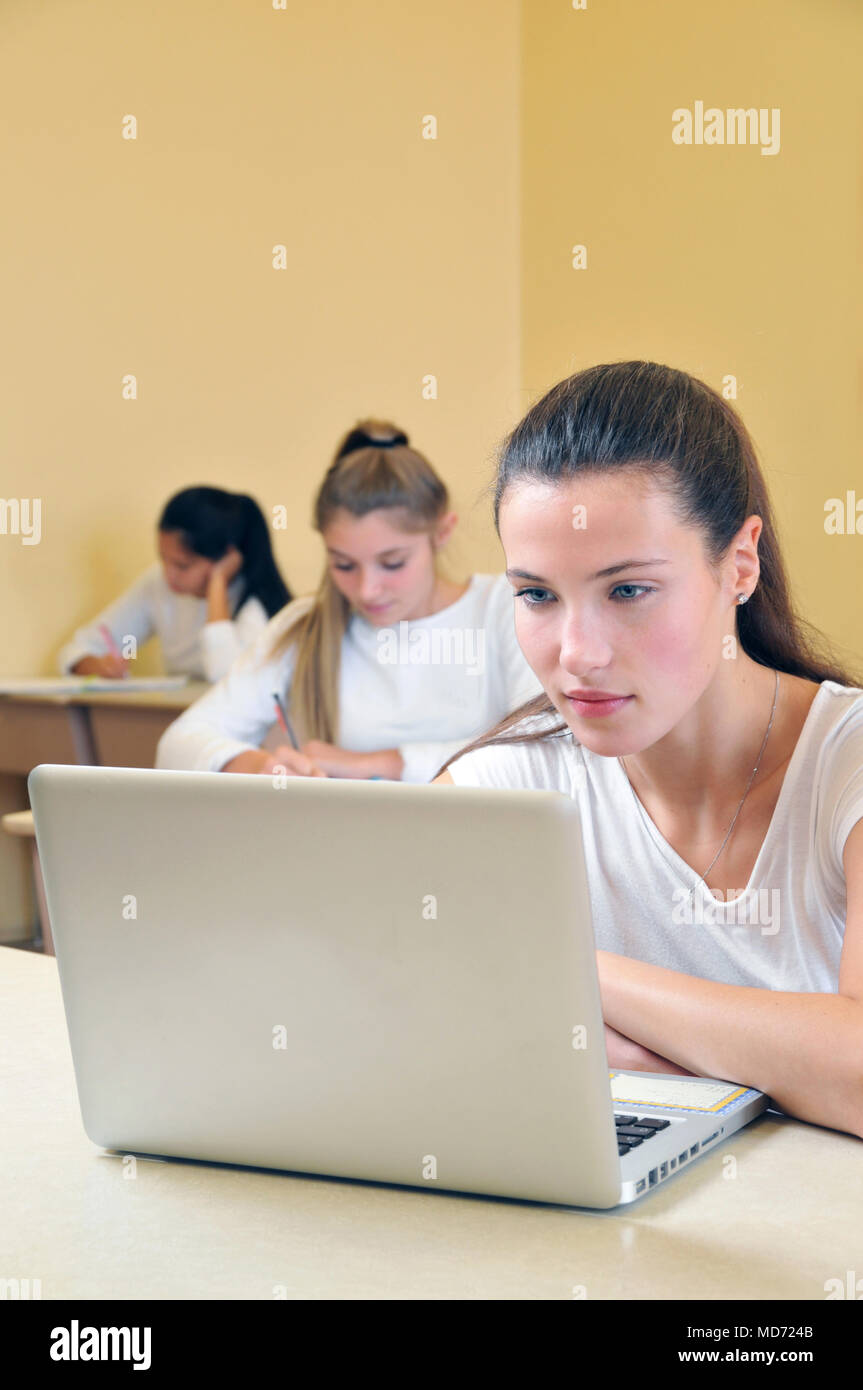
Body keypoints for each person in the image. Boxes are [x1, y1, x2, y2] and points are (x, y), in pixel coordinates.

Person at [433, 360, 863, 1140]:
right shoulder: (494, 791)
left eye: (626, 590)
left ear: (738, 563)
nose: (578, 653)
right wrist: (785, 1065)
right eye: (536, 595)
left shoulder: (847, 766)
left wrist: (572, 969)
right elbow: (425, 1043)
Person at [156, 421, 542, 781]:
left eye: (392, 563)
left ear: (441, 532)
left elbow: (544, 747)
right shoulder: (304, 624)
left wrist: (379, 764)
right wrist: (265, 766)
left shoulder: (504, 608)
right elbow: (181, 742)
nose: (367, 590)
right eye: (343, 565)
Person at [59, 487, 291, 682]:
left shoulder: (257, 604)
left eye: (182, 566)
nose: (169, 575)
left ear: (226, 559)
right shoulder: (158, 585)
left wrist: (217, 585)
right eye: (163, 559)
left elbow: (227, 677)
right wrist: (96, 666)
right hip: (180, 725)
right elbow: (75, 651)